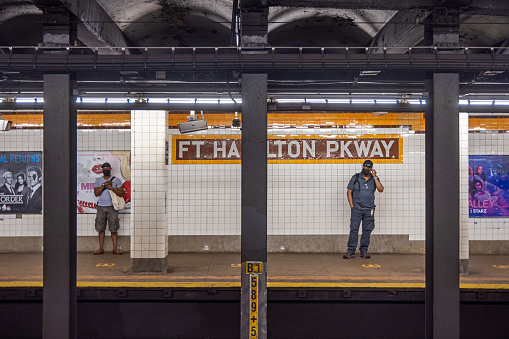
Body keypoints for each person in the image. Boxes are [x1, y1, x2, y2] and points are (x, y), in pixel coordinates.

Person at [343, 160, 384, 259]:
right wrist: (352, 205)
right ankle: (351, 251)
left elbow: (381, 189)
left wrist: (374, 177)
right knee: (354, 229)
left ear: (371, 169)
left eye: (367, 168)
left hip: (369, 210)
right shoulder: (356, 177)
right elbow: (349, 192)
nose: (365, 169)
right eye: (364, 167)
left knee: (367, 230)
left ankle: (364, 250)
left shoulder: (374, 179)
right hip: (356, 209)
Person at [93, 162, 124, 255]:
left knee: (114, 228)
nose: (106, 170)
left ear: (110, 169)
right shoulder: (98, 180)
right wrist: (104, 185)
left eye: (107, 168)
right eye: (104, 168)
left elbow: (122, 193)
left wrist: (111, 188)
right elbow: (96, 193)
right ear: (102, 170)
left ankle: (115, 248)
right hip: (101, 207)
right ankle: (101, 248)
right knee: (100, 228)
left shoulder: (116, 180)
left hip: (112, 207)